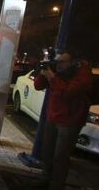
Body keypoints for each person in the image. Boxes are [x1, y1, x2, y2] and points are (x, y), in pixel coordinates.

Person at [34, 51, 92, 190]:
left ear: (73, 62)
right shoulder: (58, 71)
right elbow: (38, 86)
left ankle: (56, 186)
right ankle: (45, 179)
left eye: (62, 62)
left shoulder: (83, 74)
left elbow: (68, 92)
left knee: (60, 157)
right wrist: (43, 73)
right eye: (57, 61)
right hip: (53, 117)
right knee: (47, 152)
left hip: (70, 121)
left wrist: (52, 77)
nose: (58, 65)